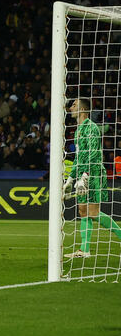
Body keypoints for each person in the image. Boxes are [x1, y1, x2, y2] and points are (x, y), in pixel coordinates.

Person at [63, 98, 121, 258]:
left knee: (93, 212)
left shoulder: (91, 127)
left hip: (93, 173)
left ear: (82, 109)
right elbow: (79, 158)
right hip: (82, 174)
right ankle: (84, 250)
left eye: (74, 105)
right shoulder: (78, 130)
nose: (71, 107)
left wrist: (85, 176)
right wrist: (70, 179)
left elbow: (95, 154)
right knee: (83, 210)